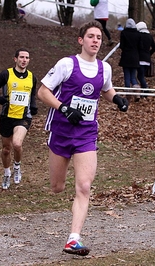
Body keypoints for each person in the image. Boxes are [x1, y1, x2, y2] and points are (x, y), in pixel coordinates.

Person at [37, 20, 129, 256]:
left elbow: (106, 89)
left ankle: (73, 239)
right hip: (61, 131)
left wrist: (117, 98)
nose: (96, 40)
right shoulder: (67, 64)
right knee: (57, 187)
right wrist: (65, 108)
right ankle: (62, 191)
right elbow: (43, 91)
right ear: (81, 40)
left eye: (98, 37)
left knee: (84, 186)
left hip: (86, 134)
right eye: (91, 36)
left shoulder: (104, 68)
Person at [0, 48, 38, 190]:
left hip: (23, 117)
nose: (24, 60)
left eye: (27, 58)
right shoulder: (6, 74)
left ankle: (17, 167)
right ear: (15, 59)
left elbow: (32, 94)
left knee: (17, 144)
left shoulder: (31, 77)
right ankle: (7, 173)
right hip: (7, 116)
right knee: (6, 150)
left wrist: (33, 106)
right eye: (21, 57)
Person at [118, 18, 141, 101]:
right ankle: (136, 91)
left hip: (126, 57)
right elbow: (140, 46)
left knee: (127, 76)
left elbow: (122, 45)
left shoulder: (124, 33)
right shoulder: (138, 34)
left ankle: (128, 94)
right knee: (133, 77)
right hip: (135, 57)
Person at [136, 21, 155, 97]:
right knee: (141, 76)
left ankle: (146, 91)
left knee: (140, 76)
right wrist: (149, 54)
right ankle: (143, 91)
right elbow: (154, 48)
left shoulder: (139, 36)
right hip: (147, 60)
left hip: (139, 59)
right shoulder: (149, 36)